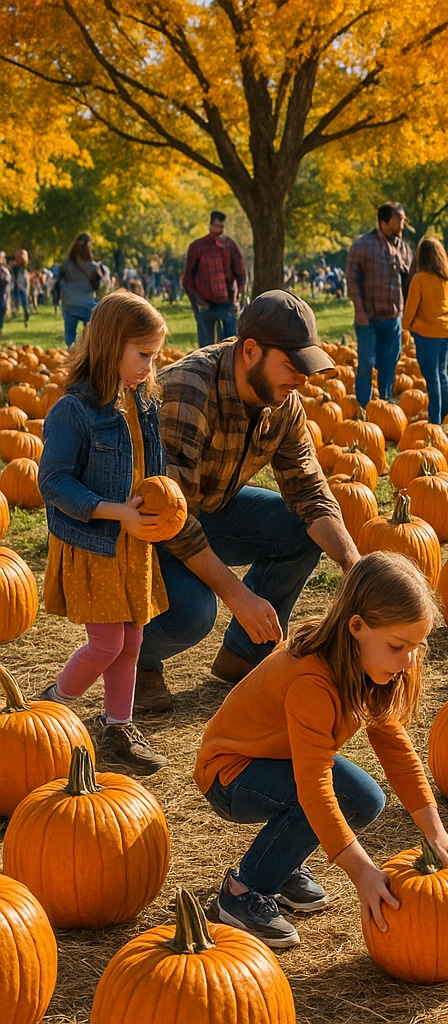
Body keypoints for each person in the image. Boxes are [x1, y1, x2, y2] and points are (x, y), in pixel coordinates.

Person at [195, 552, 448, 948]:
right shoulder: (311, 680)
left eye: (416, 646)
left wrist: (437, 834)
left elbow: (397, 752)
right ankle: (241, 893)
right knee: (325, 797)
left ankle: (281, 865)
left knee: (364, 799)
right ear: (357, 627)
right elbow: (313, 785)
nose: (409, 660)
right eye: (399, 646)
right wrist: (363, 873)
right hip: (230, 775)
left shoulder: (370, 665)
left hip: (279, 763)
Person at [136, 291, 361, 713]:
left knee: (299, 528)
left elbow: (309, 491)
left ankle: (244, 654)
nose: (301, 380)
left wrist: (354, 566)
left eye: (306, 369)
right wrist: (238, 597)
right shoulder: (188, 389)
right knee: (195, 613)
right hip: (147, 530)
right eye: (292, 367)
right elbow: (171, 518)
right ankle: (138, 661)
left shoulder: (284, 403)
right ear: (251, 351)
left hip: (210, 509)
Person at [35, 293, 172, 773]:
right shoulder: (75, 410)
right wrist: (116, 511)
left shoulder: (140, 402)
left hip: (135, 544)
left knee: (132, 642)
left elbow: (149, 467)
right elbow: (52, 482)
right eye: (144, 355)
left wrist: (164, 504)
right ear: (113, 345)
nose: (150, 365)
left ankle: (117, 725)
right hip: (97, 544)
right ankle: (53, 706)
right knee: (107, 643)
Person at [346, 203, 412, 407]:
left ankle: (384, 402)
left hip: (392, 318)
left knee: (389, 363)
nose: (403, 223)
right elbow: (352, 278)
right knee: (366, 363)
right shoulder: (363, 245)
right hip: (368, 318)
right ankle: (363, 407)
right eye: (399, 219)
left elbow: (409, 282)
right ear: (385, 221)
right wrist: (359, 310)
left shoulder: (404, 248)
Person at [403, 237, 448, 426]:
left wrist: (405, 327)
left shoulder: (419, 279)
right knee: (442, 373)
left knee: (432, 376)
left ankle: (434, 419)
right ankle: (445, 414)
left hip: (426, 333)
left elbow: (411, 308)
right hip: (447, 331)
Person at [182, 211, 248, 348]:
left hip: (227, 301)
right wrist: (195, 299)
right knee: (206, 345)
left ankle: (227, 369)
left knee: (230, 343)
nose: (220, 230)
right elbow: (188, 276)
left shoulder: (230, 246)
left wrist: (239, 294)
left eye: (222, 227)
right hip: (204, 301)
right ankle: (206, 369)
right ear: (210, 225)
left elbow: (240, 272)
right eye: (217, 226)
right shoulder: (198, 247)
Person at [56, 233, 108, 346]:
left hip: (70, 304)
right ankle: (88, 355)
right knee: (91, 336)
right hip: (88, 305)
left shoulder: (67, 265)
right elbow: (99, 286)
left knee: (70, 338)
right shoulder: (94, 267)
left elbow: (60, 282)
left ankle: (71, 355)